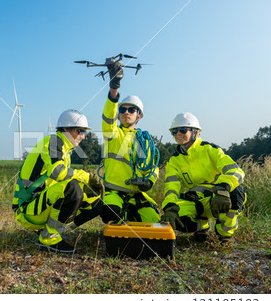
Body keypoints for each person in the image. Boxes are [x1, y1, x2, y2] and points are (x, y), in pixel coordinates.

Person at [12, 109, 104, 253]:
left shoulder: (65, 149)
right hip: (28, 209)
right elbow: (58, 172)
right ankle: (49, 238)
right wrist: (87, 177)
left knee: (96, 203)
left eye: (84, 132)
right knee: (72, 188)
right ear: (66, 129)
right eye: (80, 131)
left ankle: (54, 231)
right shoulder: (54, 141)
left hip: (41, 205)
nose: (83, 136)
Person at [161, 112, 246, 242]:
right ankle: (202, 227)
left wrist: (223, 189)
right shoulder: (174, 160)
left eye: (183, 130)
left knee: (236, 192)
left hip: (218, 197)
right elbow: (171, 187)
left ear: (195, 132)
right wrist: (170, 207)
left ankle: (224, 235)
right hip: (196, 200)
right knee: (176, 217)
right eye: (174, 131)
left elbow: (236, 171)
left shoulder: (210, 150)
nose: (178, 134)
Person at [100, 58, 160, 224]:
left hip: (137, 194)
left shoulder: (145, 141)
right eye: (123, 110)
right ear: (118, 114)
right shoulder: (112, 133)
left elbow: (153, 167)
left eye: (131, 110)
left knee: (153, 222)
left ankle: (133, 213)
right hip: (115, 192)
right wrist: (114, 88)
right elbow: (107, 117)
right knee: (109, 214)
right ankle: (123, 215)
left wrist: (149, 181)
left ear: (138, 115)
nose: (126, 112)